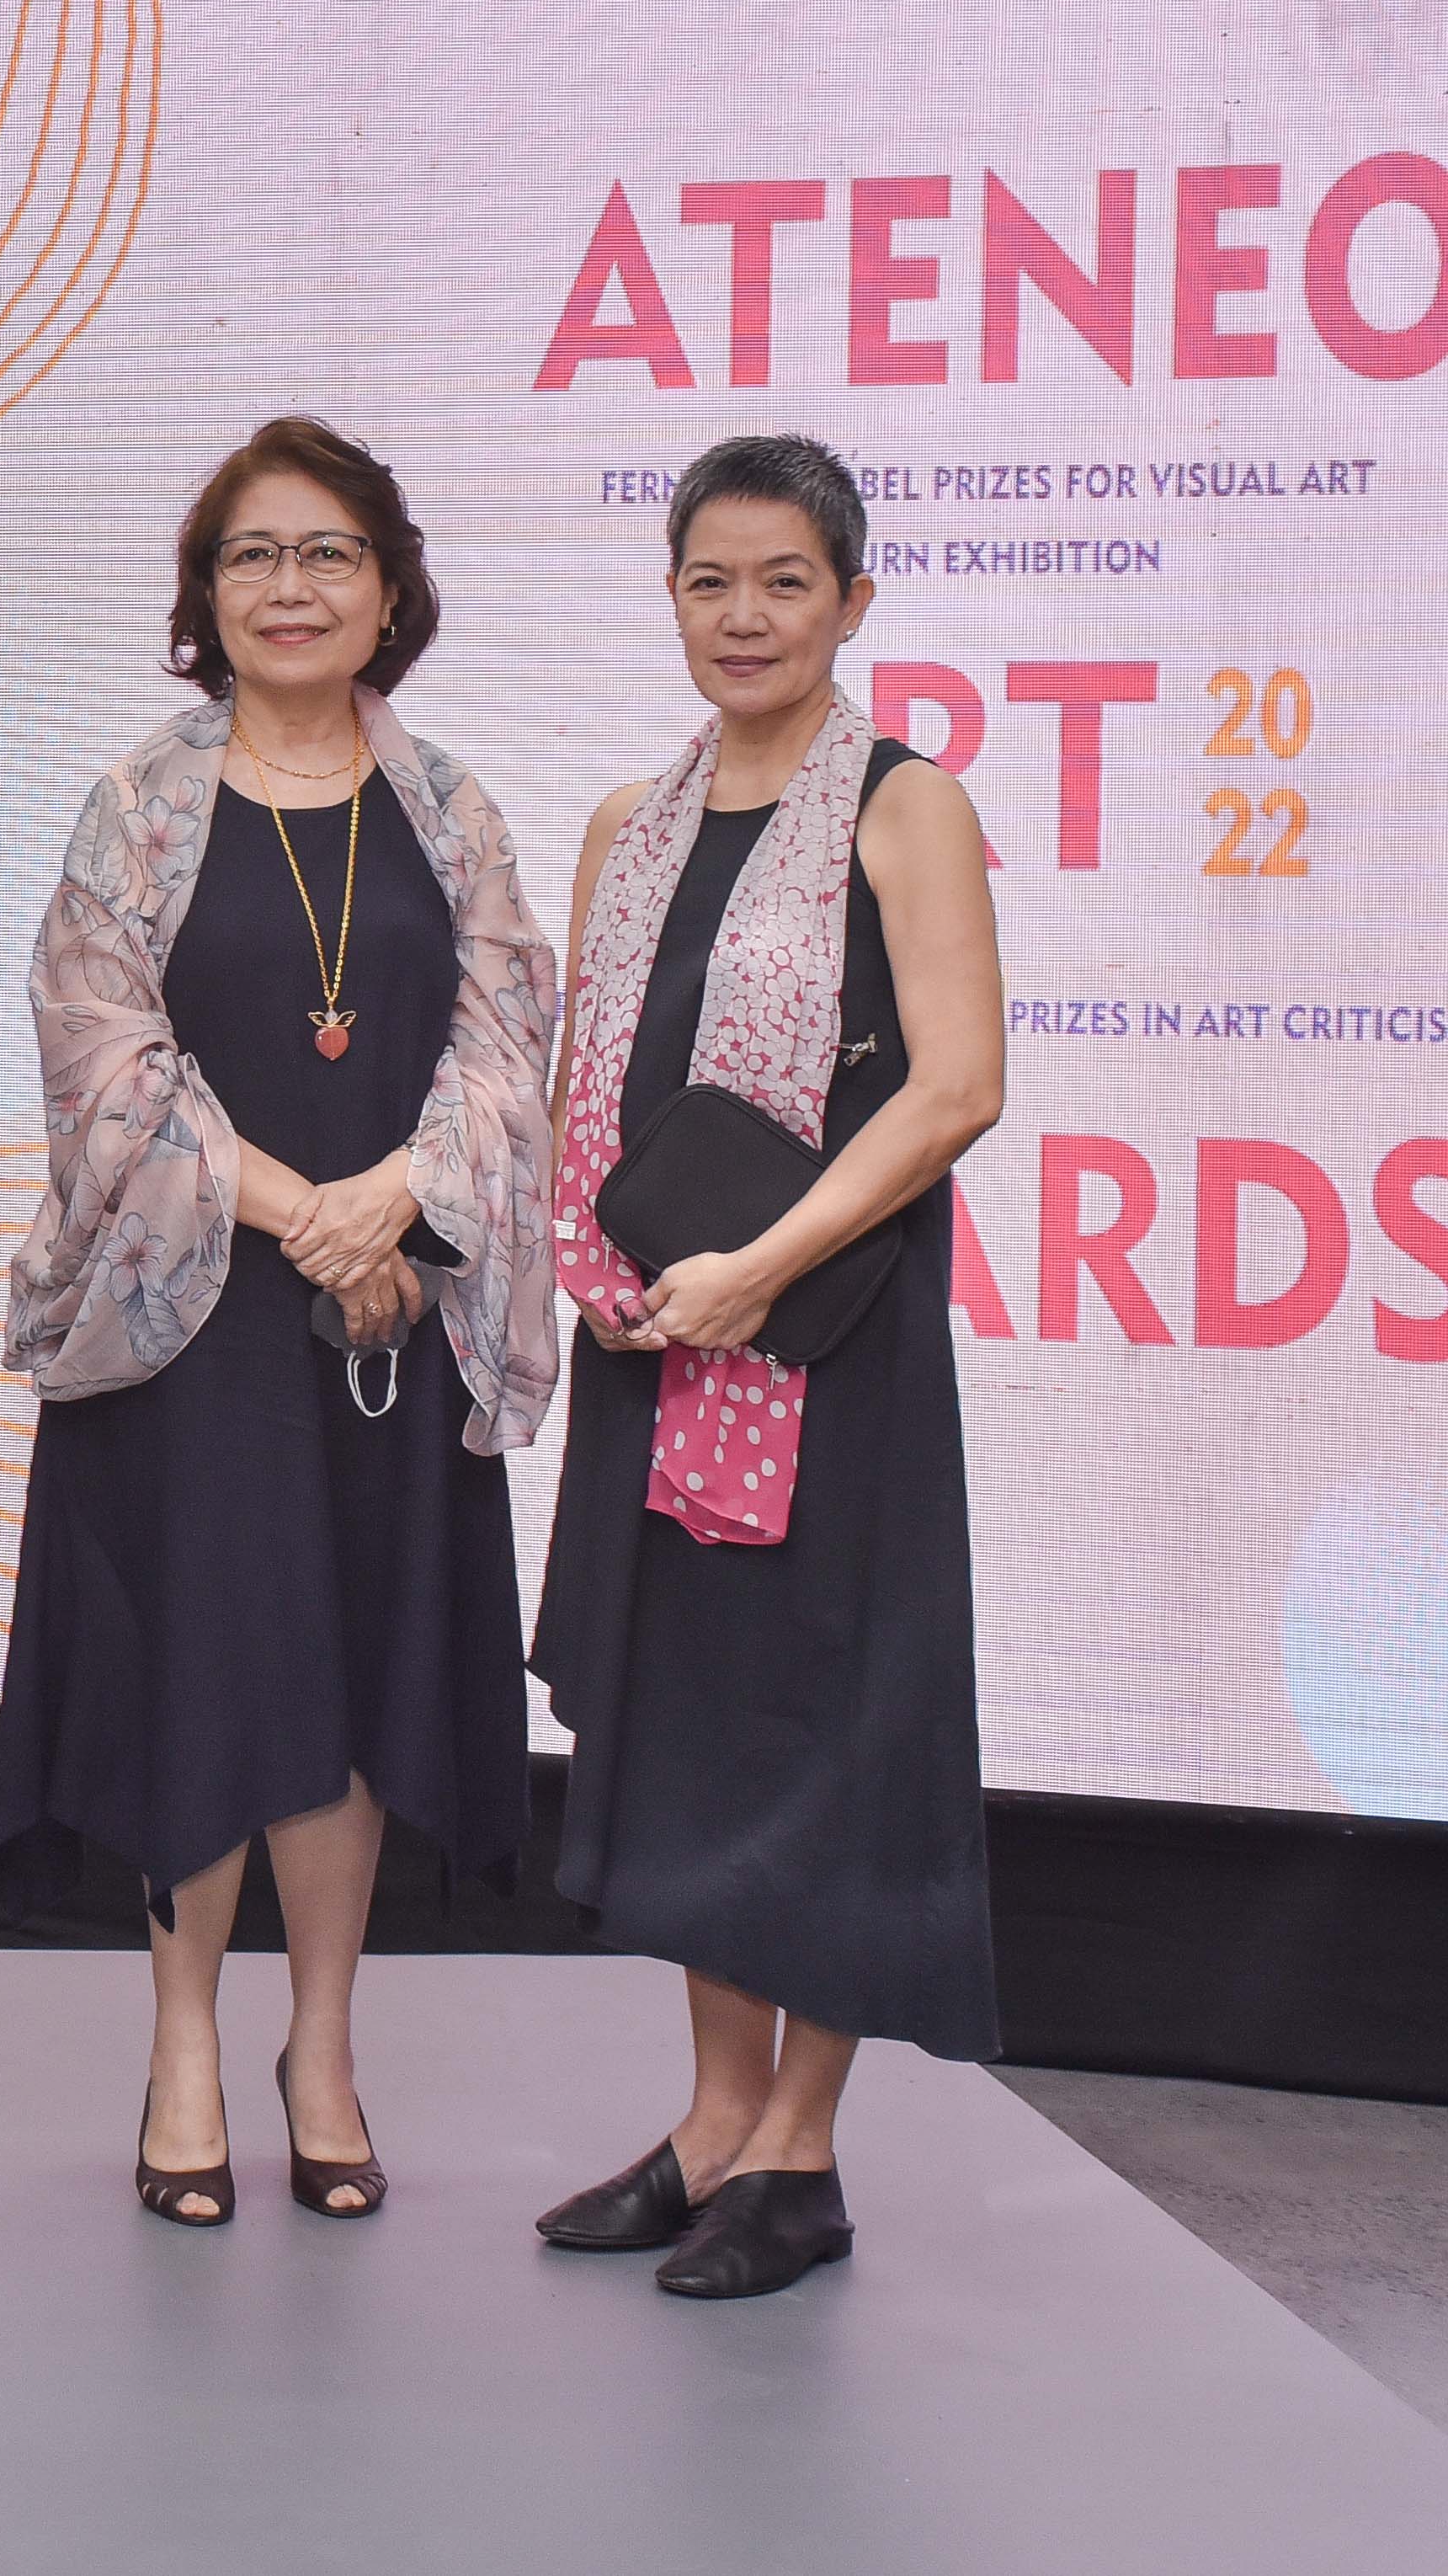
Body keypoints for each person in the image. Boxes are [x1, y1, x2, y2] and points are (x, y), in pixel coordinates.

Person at [0, 417, 562, 2227]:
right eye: (250, 556)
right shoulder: (138, 806)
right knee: (204, 1678)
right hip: (189, 1322)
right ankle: (177, 2046)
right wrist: (300, 1214)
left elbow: (505, 1047)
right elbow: (95, 1055)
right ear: (201, 594)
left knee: (362, 1680)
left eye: (323, 555)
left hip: (393, 1306)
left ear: (386, 587)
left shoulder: (446, 810)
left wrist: (394, 1206)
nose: (287, 588)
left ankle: (318, 2046)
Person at [528, 434, 1005, 2300]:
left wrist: (759, 1270)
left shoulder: (903, 806)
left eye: (782, 582)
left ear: (850, 602)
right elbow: (595, 1105)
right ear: (668, 599)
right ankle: (712, 2125)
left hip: (827, 1353)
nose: (742, 617)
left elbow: (956, 1088)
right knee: (688, 1745)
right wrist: (616, 1274)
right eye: (707, 581)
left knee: (819, 1750)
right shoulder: (618, 832)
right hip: (659, 1342)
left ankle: (799, 2154)